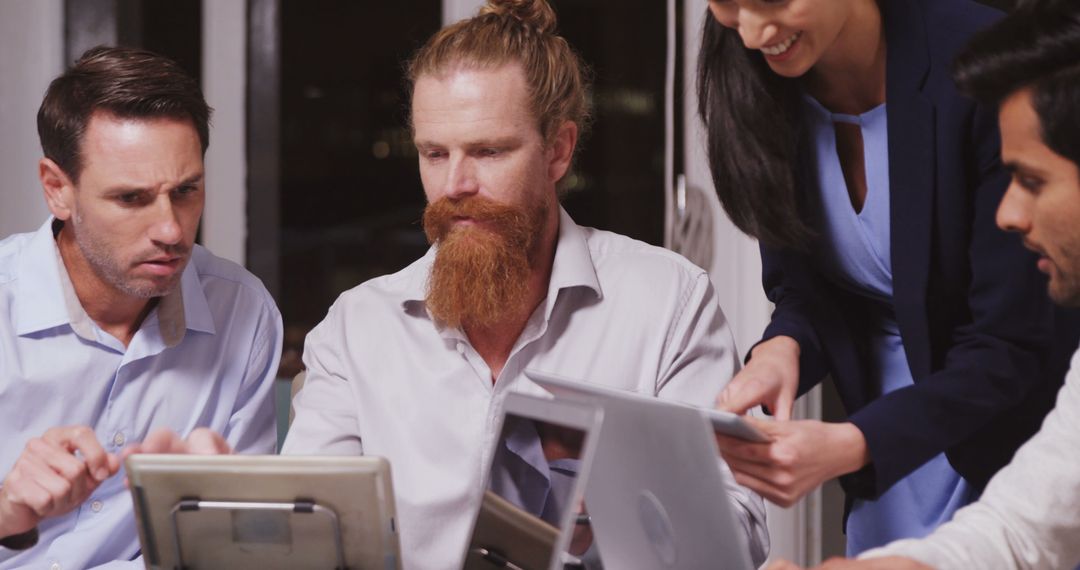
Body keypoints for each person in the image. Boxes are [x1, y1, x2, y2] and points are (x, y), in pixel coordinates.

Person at [281, 1, 768, 568]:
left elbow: (740, 537)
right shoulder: (356, 329)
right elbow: (307, 540)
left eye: (489, 151)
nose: (455, 185)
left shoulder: (668, 305)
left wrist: (618, 520)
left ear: (558, 150)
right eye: (434, 154)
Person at [698, 0, 1080, 556]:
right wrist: (782, 350)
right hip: (890, 455)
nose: (753, 34)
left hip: (1001, 429)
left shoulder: (983, 65)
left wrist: (858, 442)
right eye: (729, 5)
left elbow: (1010, 339)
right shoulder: (761, 85)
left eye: (774, 0)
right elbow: (803, 290)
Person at [0, 46, 282, 568]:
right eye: (131, 198)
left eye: (186, 191)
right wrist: (6, 511)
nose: (172, 230)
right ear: (57, 189)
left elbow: (252, 543)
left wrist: (233, 511)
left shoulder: (243, 311)